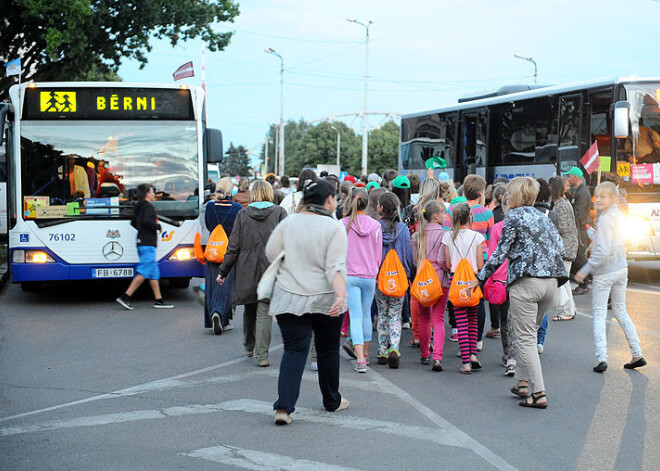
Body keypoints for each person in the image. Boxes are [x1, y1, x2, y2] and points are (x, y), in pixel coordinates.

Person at [472, 177, 567, 409]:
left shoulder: (513, 217)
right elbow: (561, 249)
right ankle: (522, 383)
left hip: (526, 283)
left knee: (524, 338)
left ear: (516, 196)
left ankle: (539, 393)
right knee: (530, 334)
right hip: (551, 283)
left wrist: (480, 278)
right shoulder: (544, 218)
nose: (506, 198)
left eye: (509, 194)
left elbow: (499, 253)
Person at [266, 179, 349, 425]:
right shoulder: (333, 227)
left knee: (294, 350)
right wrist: (341, 294)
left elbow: (271, 252)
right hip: (325, 297)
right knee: (327, 349)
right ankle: (332, 400)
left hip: (290, 295)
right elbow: (335, 267)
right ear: (329, 200)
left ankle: (284, 407)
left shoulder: (288, 222)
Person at [575, 182, 646, 373]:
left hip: (605, 272)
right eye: (596, 196)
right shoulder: (617, 215)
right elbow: (614, 241)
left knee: (599, 313)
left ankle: (601, 358)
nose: (598, 199)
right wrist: (595, 237)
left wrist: (585, 269)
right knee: (621, 311)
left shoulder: (605, 219)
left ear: (613, 198)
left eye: (603, 196)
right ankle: (637, 353)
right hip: (621, 268)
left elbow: (602, 251)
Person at [217, 181, 287, 366]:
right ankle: (262, 355)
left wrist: (223, 271)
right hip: (270, 267)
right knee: (264, 307)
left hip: (246, 267)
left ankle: (249, 345)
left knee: (249, 306)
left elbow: (233, 247)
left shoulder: (243, 213)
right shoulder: (279, 213)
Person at [447, 175, 493, 350]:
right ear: (481, 193)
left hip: (456, 264)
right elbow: (488, 240)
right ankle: (477, 339)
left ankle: (459, 332)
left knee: (456, 301)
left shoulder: (453, 209)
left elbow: (447, 232)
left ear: (464, 191)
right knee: (477, 301)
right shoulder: (487, 213)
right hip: (478, 264)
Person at [342, 187, 382, 373]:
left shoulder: (343, 224)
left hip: (350, 275)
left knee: (355, 316)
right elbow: (378, 255)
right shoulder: (376, 225)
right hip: (369, 275)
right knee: (366, 314)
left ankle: (360, 360)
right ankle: (365, 353)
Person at [116, 184, 173, 310]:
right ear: (147, 193)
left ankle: (159, 300)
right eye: (153, 192)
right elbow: (147, 221)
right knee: (144, 271)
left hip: (141, 242)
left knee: (153, 273)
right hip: (148, 243)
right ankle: (125, 296)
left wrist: (142, 230)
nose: (154, 194)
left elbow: (134, 223)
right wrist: (157, 227)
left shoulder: (138, 206)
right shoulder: (149, 207)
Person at [444, 203, 485, 374]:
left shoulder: (448, 237)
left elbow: (447, 263)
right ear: (470, 216)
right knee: (473, 319)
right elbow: (481, 264)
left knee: (461, 322)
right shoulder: (477, 237)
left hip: (456, 280)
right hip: (473, 280)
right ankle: (473, 354)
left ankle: (466, 363)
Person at [375, 192, 413, 368]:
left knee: (382, 313)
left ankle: (382, 350)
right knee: (395, 314)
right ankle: (394, 348)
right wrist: (407, 273)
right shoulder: (403, 229)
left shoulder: (375, 228)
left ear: (381, 208)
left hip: (380, 277)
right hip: (398, 278)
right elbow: (407, 255)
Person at [412, 200, 450, 371]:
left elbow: (414, 261)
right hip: (440, 280)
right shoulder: (445, 235)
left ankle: (424, 353)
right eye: (443, 213)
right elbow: (443, 260)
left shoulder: (416, 235)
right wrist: (445, 269)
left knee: (424, 317)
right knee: (438, 318)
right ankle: (438, 357)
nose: (445, 216)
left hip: (422, 281)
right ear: (436, 216)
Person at [203, 181, 242, 334]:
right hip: (229, 249)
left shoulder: (210, 207)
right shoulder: (237, 208)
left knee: (212, 282)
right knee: (226, 283)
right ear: (230, 191)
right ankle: (221, 315)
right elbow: (238, 229)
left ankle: (213, 313)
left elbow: (208, 225)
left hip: (213, 248)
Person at [549, 176, 578, 322]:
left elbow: (564, 228)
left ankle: (567, 310)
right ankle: (570, 308)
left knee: (564, 279)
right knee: (564, 279)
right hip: (566, 245)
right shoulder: (559, 203)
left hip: (566, 246)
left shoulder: (561, 205)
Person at [565, 167, 591, 295]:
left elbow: (579, 214)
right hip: (578, 229)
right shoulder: (577, 191)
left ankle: (585, 281)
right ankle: (583, 280)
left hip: (580, 230)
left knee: (579, 257)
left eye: (569, 176)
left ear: (575, 177)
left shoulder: (582, 192)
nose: (568, 179)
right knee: (577, 256)